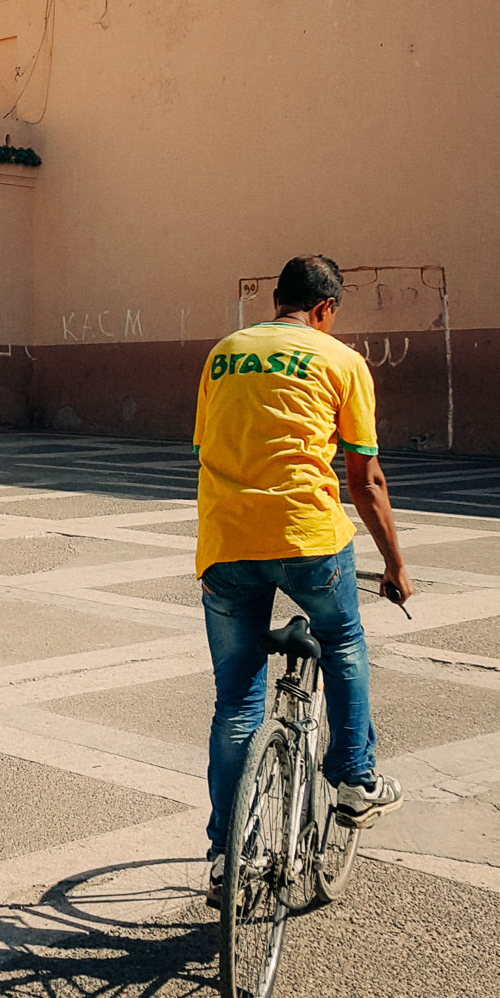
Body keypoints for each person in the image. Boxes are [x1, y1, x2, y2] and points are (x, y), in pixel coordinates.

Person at [194, 254, 414, 905]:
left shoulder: (223, 354)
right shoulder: (340, 360)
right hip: (309, 540)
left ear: (276, 301)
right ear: (325, 309)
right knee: (342, 641)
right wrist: (395, 565)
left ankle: (222, 858)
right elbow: (364, 480)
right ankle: (353, 776)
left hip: (227, 542)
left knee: (236, 700)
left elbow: (206, 449)